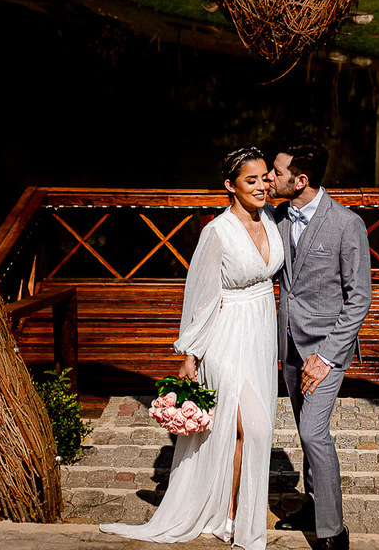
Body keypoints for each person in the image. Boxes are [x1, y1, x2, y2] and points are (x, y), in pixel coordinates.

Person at [101, 147, 283, 550]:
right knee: (251, 428)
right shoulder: (216, 232)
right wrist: (191, 354)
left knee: (246, 434)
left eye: (262, 179)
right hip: (226, 333)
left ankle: (232, 515)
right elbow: (201, 295)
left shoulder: (271, 219)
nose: (259, 187)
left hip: (261, 334)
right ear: (229, 186)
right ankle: (223, 514)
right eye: (249, 181)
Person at [268, 142, 372, 550]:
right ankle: (313, 506)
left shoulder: (347, 224)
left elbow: (359, 296)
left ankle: (333, 533)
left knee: (313, 433)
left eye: (277, 173)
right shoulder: (277, 215)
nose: (270, 179)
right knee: (302, 427)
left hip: (326, 351)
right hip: (289, 343)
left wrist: (326, 357)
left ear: (301, 180)